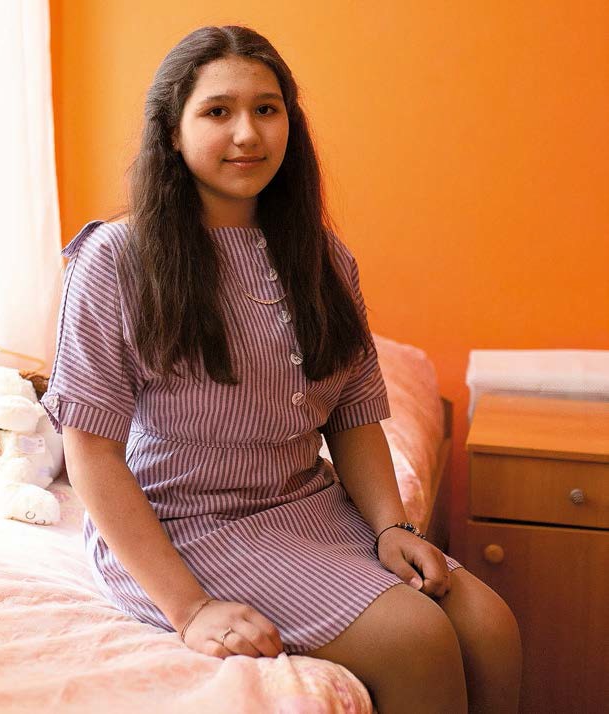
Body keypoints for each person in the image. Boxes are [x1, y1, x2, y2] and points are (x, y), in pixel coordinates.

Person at [42, 24, 522, 713]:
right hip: (183, 523)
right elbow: (90, 452)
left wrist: (391, 527)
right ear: (172, 131)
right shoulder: (114, 259)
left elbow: (354, 414)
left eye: (266, 109)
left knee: (489, 626)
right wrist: (190, 608)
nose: (247, 133)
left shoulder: (323, 257)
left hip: (306, 503)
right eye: (217, 111)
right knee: (414, 638)